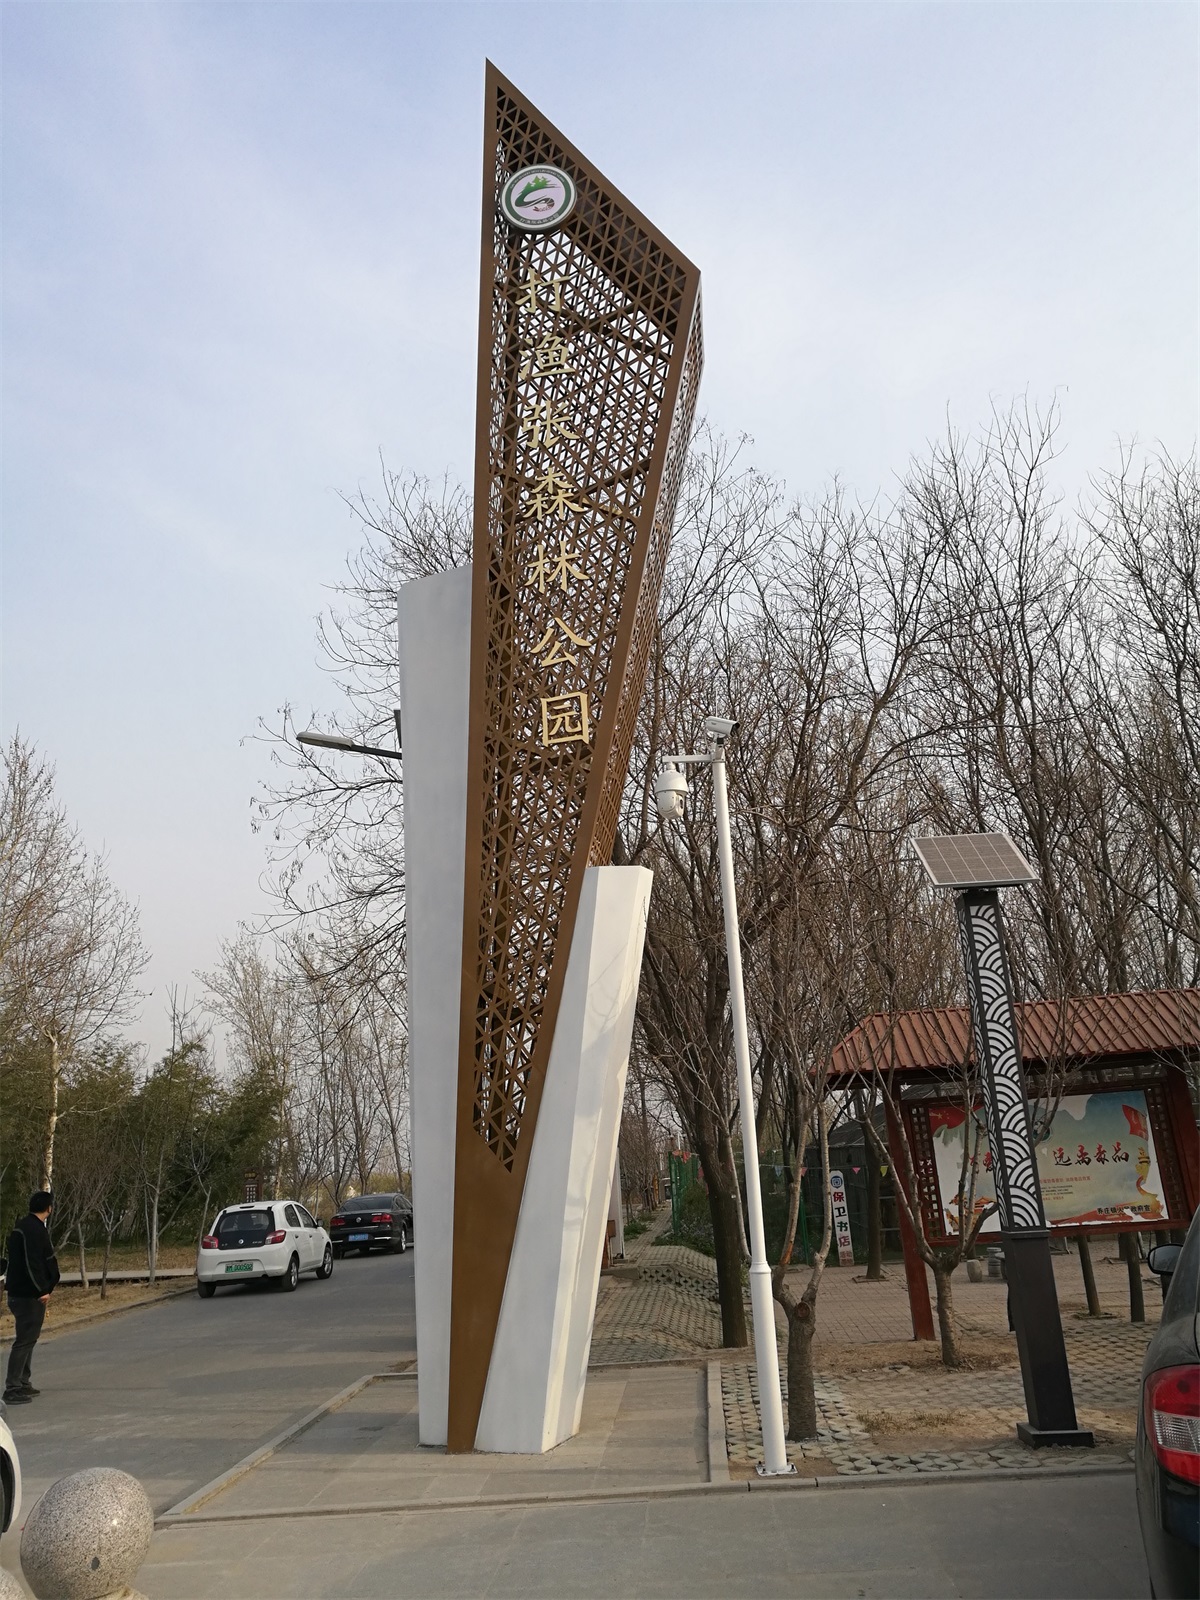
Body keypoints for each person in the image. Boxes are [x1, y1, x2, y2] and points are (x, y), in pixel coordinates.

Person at [3, 1191, 59, 1404]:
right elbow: (32, 1263)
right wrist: (41, 1289)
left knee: (29, 1339)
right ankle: (12, 1388)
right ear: (49, 1208)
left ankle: (23, 1381)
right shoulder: (33, 1230)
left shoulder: (24, 1226)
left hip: (20, 1293)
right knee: (24, 1340)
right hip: (28, 1295)